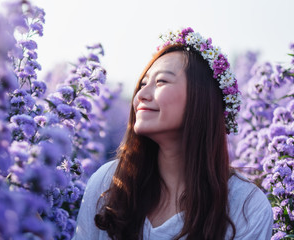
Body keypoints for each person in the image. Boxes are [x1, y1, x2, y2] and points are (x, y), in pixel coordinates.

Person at [73, 27, 273, 240]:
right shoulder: (109, 183)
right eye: (142, 84)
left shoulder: (246, 206)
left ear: (201, 99)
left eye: (161, 82)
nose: (141, 95)